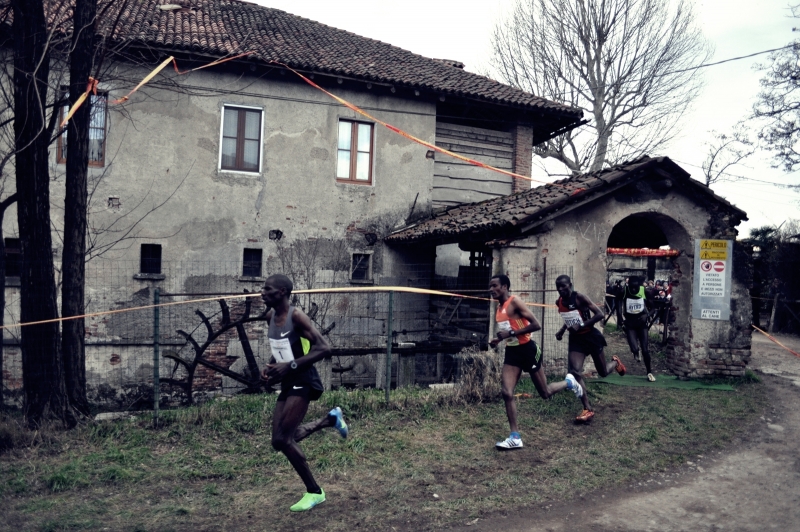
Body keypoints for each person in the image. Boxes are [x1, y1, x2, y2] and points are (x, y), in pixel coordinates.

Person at [260, 274, 349, 512]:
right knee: (280, 440)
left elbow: (324, 349)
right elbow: (282, 348)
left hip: (304, 380)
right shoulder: (270, 316)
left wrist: (287, 367)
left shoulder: (296, 316)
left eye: (267, 289)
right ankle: (329, 420)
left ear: (282, 292)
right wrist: (270, 367)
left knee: (283, 439)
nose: (262, 292)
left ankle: (315, 492)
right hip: (289, 381)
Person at [488, 274, 583, 449]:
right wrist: (499, 339)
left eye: (495, 286)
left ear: (505, 287)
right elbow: (510, 329)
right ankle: (515, 437)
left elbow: (536, 325)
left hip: (528, 350)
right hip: (512, 353)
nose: (491, 289)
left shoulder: (514, 302)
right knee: (507, 392)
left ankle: (570, 382)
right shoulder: (499, 307)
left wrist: (509, 334)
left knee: (545, 393)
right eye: (490, 286)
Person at [555, 275, 626, 422]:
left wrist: (580, 325)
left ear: (570, 285)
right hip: (576, 340)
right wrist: (562, 330)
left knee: (603, 372)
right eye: (558, 286)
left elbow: (599, 314)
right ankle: (587, 408)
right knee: (575, 372)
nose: (561, 289)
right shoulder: (559, 302)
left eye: (564, 286)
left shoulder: (580, 298)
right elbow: (569, 318)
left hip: (591, 337)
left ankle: (615, 363)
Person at [621, 276, 656, 382]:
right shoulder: (624, 291)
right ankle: (636, 352)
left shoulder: (645, 291)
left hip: (642, 323)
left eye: (635, 288)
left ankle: (649, 372)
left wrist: (647, 315)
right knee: (634, 348)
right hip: (630, 324)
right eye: (631, 287)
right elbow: (617, 301)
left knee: (645, 349)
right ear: (628, 285)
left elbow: (654, 308)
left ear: (639, 286)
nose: (633, 290)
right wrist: (619, 318)